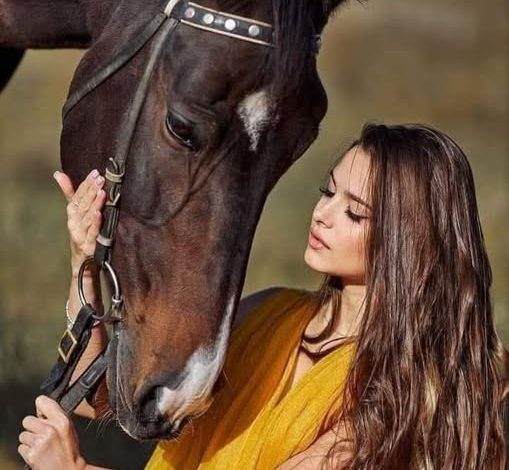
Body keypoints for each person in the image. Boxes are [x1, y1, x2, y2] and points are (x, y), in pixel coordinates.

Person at [18, 123, 508, 469]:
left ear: (410, 240)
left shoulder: (397, 386)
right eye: (327, 192)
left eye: (354, 213)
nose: (322, 215)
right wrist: (86, 264)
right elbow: (105, 399)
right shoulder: (270, 313)